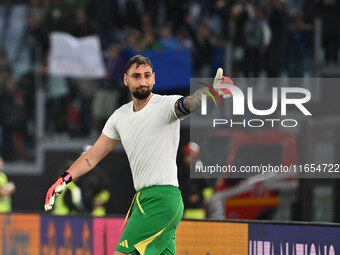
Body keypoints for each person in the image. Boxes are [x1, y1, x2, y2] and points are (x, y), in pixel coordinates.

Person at [44, 55, 232, 254]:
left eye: (147, 76)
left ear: (153, 79)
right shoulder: (119, 117)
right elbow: (92, 156)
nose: (142, 81)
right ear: (126, 79)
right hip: (144, 200)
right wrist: (64, 179)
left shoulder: (166, 105)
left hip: (162, 199)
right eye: (136, 76)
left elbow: (188, 103)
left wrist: (211, 93)